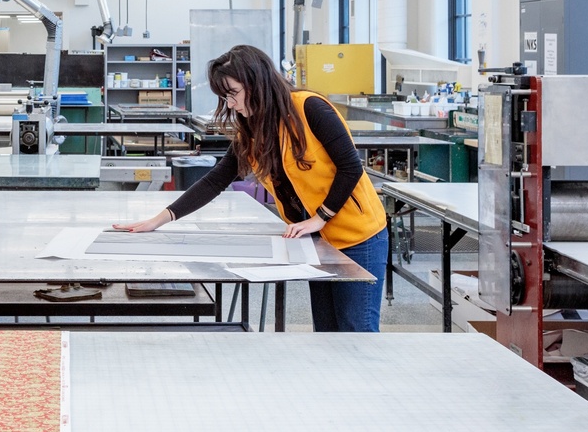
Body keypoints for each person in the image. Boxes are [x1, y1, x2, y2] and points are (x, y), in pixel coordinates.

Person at [114, 44, 388, 332]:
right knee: (327, 332)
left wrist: (320, 217)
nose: (230, 104)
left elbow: (351, 167)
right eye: (225, 96)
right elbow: (216, 179)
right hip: (317, 241)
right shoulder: (255, 127)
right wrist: (160, 219)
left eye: (232, 93)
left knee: (357, 332)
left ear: (255, 82)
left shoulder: (309, 108)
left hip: (358, 237)